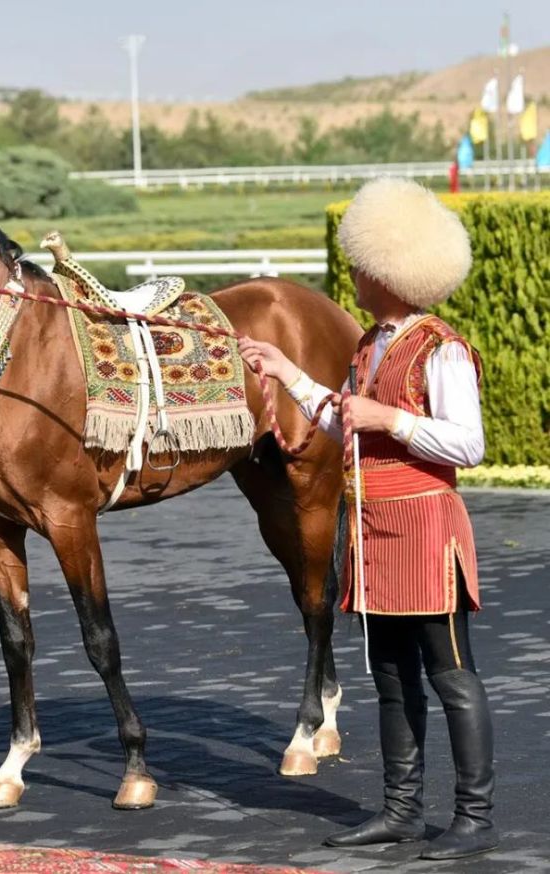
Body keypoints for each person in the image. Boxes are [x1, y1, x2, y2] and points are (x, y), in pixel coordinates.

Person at [237, 178, 497, 862]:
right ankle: (401, 810)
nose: (350, 272)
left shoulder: (442, 348)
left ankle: (474, 817)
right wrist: (284, 369)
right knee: (389, 675)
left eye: (358, 263)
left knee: (451, 675)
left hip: (425, 526)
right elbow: (336, 418)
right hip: (375, 533)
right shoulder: (368, 348)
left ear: (387, 270)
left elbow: (468, 444)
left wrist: (393, 420)